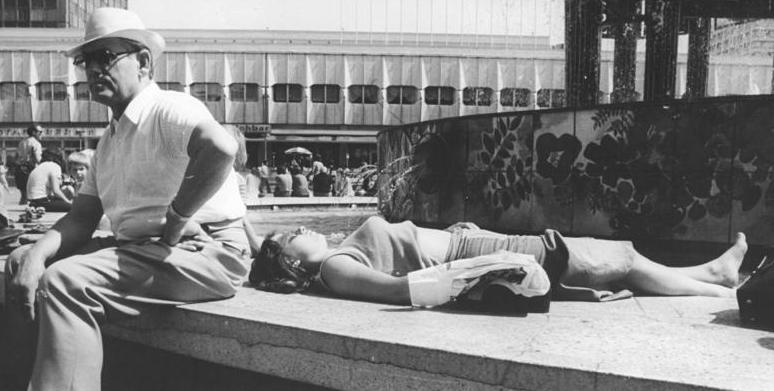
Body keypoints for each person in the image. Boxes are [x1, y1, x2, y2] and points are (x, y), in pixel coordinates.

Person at [1, 8, 249, 391]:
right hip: (147, 250)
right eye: (87, 61)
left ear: (144, 62)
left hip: (206, 251)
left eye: (107, 57)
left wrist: (177, 218)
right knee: (19, 264)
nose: (94, 70)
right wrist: (34, 254)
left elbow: (221, 147)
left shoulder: (168, 107)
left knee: (66, 281)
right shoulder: (110, 139)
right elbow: (81, 217)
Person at [250, 216, 747, 308]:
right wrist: (480, 267)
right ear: (291, 266)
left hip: (472, 244)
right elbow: (399, 290)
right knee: (621, 258)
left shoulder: (335, 255)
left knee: (619, 262)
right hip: (484, 255)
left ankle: (707, 273)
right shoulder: (334, 268)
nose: (302, 230)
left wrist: (454, 234)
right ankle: (722, 290)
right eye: (291, 238)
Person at [14, 124, 44, 204]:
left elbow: (16, 156)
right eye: (40, 132)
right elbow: (38, 159)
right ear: (34, 132)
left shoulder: (22, 142)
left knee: (23, 195)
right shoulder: (36, 143)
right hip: (31, 169)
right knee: (31, 193)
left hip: (20, 169)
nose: (42, 134)